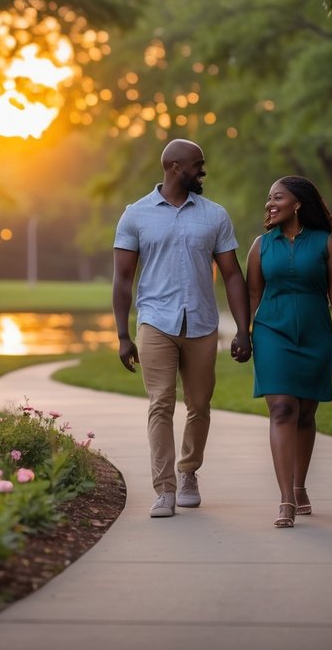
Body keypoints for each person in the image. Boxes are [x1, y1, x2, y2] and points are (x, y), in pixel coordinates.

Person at [113, 139, 252, 518]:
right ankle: (165, 489)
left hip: (202, 323)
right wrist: (124, 335)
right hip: (155, 320)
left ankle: (188, 471)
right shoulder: (136, 215)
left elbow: (232, 275)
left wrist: (244, 328)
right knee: (160, 403)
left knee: (199, 404)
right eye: (197, 164)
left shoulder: (215, 215)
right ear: (175, 166)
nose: (202, 170)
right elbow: (123, 280)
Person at [246, 175, 332, 528]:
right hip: (272, 333)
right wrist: (243, 334)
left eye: (277, 197)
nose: (270, 204)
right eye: (268, 198)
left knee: (306, 414)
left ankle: (299, 484)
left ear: (298, 203)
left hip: (315, 335)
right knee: (281, 409)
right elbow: (252, 296)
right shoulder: (260, 246)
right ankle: (286, 500)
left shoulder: (326, 244)